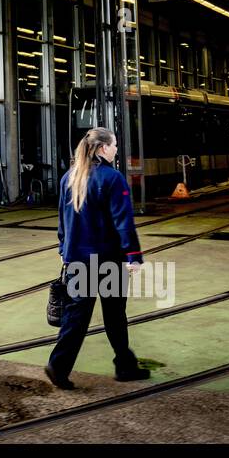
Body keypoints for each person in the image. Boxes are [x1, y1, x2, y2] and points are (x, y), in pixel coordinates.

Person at [45, 126, 151, 390]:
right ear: (103, 148)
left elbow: (62, 221)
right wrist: (134, 255)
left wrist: (63, 250)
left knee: (76, 316)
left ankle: (58, 366)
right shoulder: (112, 179)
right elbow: (123, 222)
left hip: (77, 259)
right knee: (115, 314)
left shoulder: (69, 177)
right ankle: (125, 367)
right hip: (108, 260)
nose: (116, 150)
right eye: (114, 145)